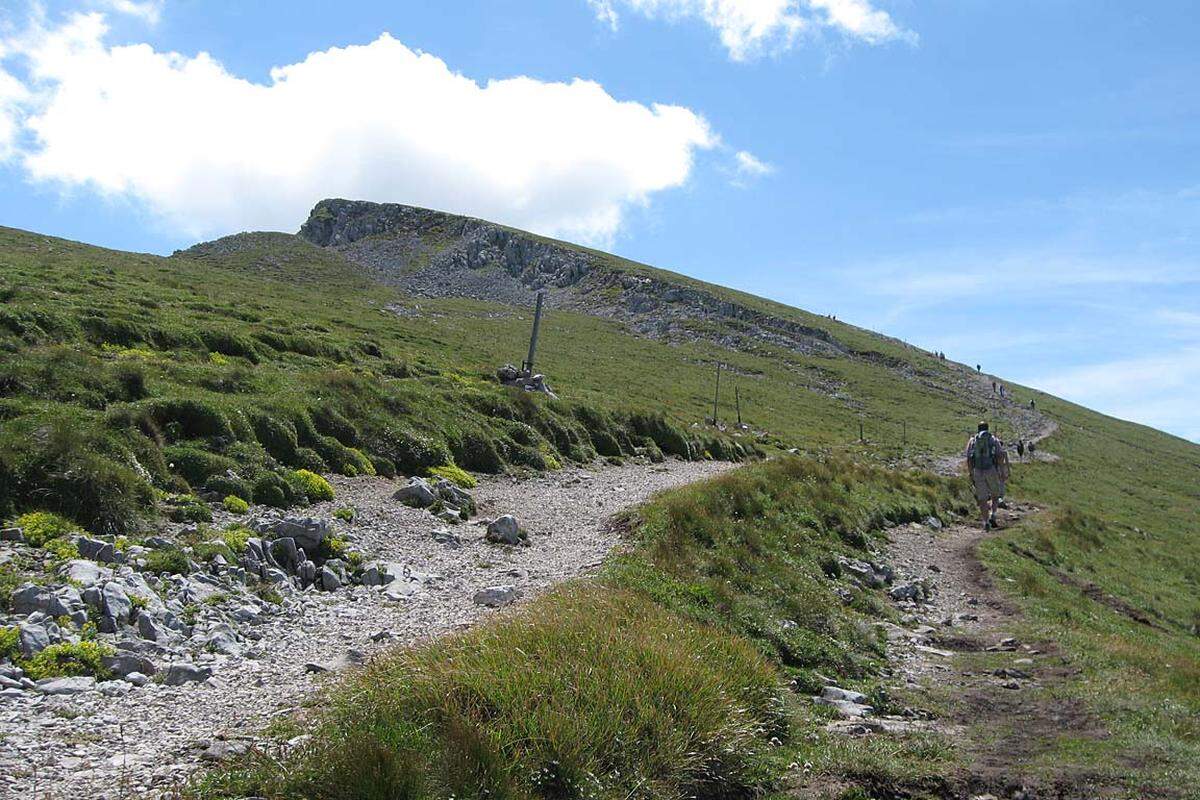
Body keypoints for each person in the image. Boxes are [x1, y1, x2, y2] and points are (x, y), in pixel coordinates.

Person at [965, 421, 1009, 530]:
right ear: (987, 428)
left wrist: (971, 473)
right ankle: (993, 515)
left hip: (978, 471)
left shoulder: (973, 440)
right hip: (991, 470)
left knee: (982, 499)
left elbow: (969, 458)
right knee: (995, 494)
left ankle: (985, 522)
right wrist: (1002, 472)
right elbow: (1000, 456)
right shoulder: (994, 439)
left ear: (978, 428)